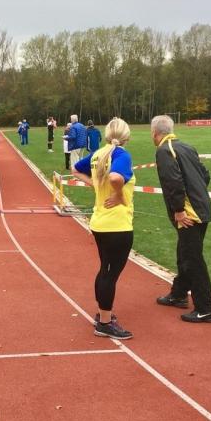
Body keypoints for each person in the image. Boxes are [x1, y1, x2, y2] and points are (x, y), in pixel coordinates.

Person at [71, 118, 135, 340]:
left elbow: (74, 169)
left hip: (100, 223)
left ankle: (102, 314)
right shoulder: (122, 155)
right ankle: (105, 323)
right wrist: (118, 194)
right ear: (127, 136)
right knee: (110, 273)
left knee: (105, 269)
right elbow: (116, 177)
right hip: (117, 225)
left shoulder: (98, 154)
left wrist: (95, 185)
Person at [151, 115, 211, 323]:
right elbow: (205, 175)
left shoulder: (164, 150)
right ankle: (179, 294)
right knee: (184, 254)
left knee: (193, 259)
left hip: (189, 213)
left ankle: (206, 308)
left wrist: (179, 210)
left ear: (155, 133)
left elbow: (173, 181)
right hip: (202, 208)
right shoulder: (187, 147)